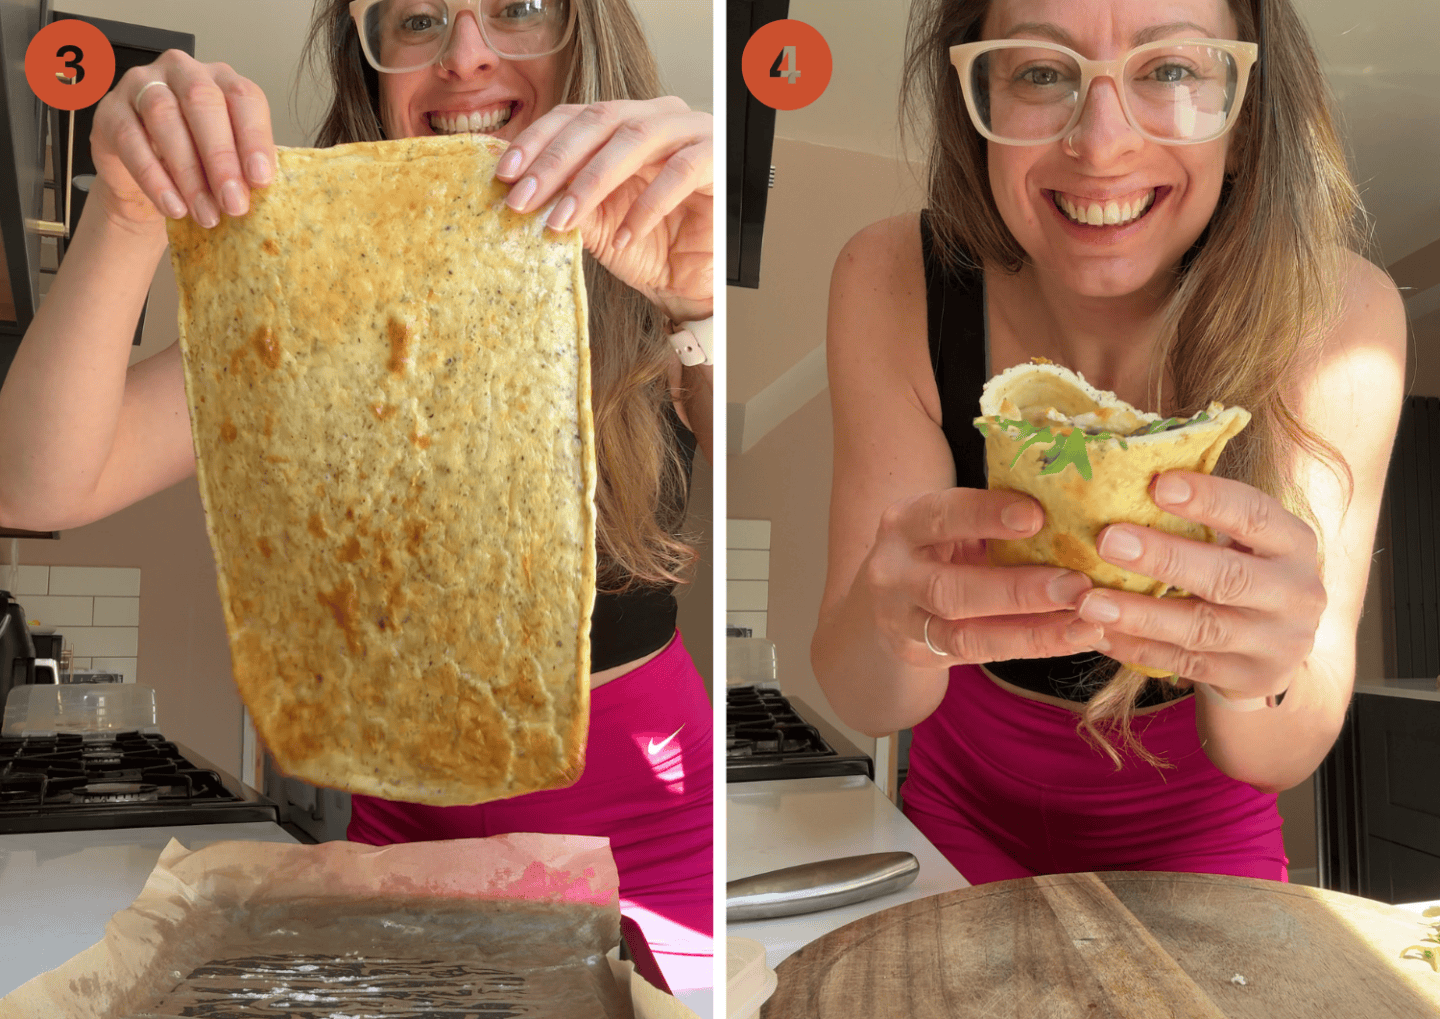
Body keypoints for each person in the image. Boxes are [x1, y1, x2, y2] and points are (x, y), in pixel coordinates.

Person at [0, 0, 713, 992]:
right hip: (400, 837)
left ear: (586, 34)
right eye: (416, 18)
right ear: (371, 66)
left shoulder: (657, 257)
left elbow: (731, 448)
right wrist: (123, 213)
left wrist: (703, 305)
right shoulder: (311, 297)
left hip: (653, 830)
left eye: (517, 7)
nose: (466, 55)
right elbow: (35, 484)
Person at [812, 0, 1405, 887]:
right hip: (953, 818)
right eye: (1041, 72)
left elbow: (1283, 747)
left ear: (1246, 118)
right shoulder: (894, 280)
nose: (1101, 142)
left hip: (1201, 842)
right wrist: (899, 619)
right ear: (974, 101)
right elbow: (867, 693)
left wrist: (1254, 674)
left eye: (1171, 70)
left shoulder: (1338, 318)